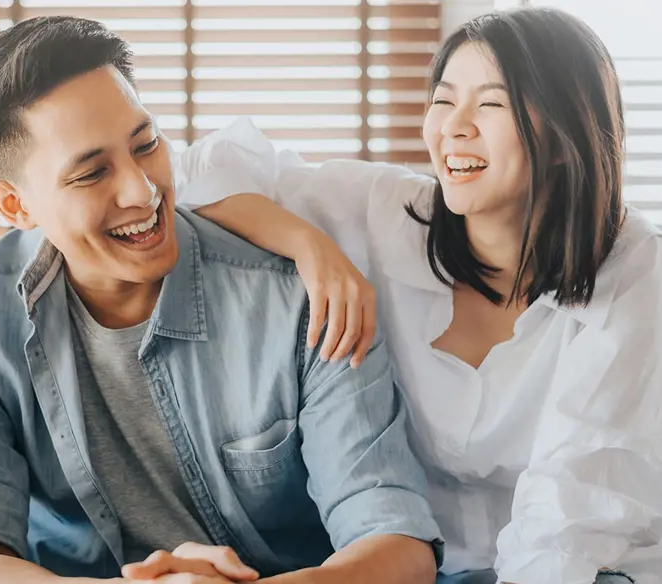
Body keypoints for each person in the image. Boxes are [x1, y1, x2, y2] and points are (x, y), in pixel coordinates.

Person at [0, 14, 443, 584]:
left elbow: (397, 545)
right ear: (15, 206)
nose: (142, 192)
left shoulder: (301, 301)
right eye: (91, 174)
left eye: (146, 145)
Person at [172, 7, 662, 584]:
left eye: (491, 104)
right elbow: (200, 169)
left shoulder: (638, 276)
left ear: (564, 136)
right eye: (443, 99)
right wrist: (310, 247)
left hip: (584, 569)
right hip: (421, 568)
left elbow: (567, 517)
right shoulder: (389, 214)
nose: (454, 127)